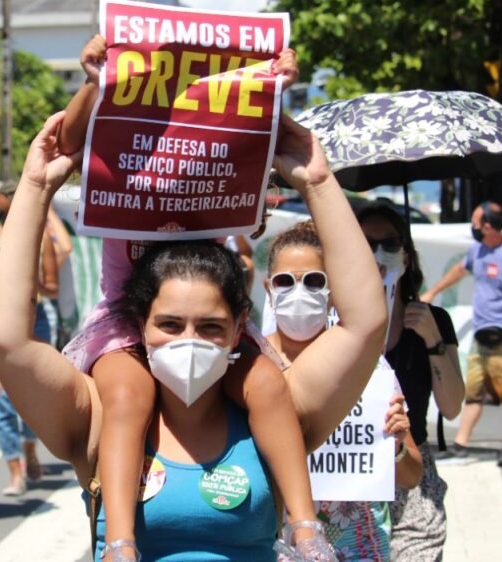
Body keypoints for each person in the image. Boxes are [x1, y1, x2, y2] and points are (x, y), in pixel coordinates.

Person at [0, 110, 387, 560]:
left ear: (239, 330)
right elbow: (6, 336)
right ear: (140, 326)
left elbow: (366, 323)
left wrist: (317, 182)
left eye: (210, 327)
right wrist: (37, 188)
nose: (188, 341)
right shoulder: (95, 417)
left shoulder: (277, 410)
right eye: (169, 325)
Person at [53, 37, 326, 559]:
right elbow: (68, 141)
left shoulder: (212, 160)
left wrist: (274, 91)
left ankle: (306, 528)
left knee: (267, 384)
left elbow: (257, 142)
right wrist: (93, 82)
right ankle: (120, 542)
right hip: (125, 324)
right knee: (128, 398)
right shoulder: (120, 164)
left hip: (206, 318)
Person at [262, 220, 422, 561]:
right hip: (272, 547)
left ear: (332, 290)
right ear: (268, 289)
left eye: (314, 281)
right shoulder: (249, 367)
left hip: (359, 547)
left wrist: (395, 445)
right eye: (285, 281)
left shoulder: (369, 368)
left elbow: (411, 477)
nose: (299, 291)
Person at [358, 204, 464, 561]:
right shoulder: (334, 320)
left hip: (412, 472)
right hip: (350, 476)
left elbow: (451, 407)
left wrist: (433, 339)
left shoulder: (432, 320)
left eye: (388, 243)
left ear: (406, 253)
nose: (377, 254)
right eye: (365, 243)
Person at [421, 201, 502, 466]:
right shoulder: (477, 250)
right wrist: (433, 292)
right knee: (473, 393)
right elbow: (459, 270)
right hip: (482, 335)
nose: (473, 227)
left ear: (490, 226)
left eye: (476, 223)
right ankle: (461, 444)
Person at [0, 178, 54, 495]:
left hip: (34, 320)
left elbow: (52, 286)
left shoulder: (41, 235)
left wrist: (28, 283)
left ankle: (30, 447)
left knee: (32, 397)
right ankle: (14, 469)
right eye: (3, 200)